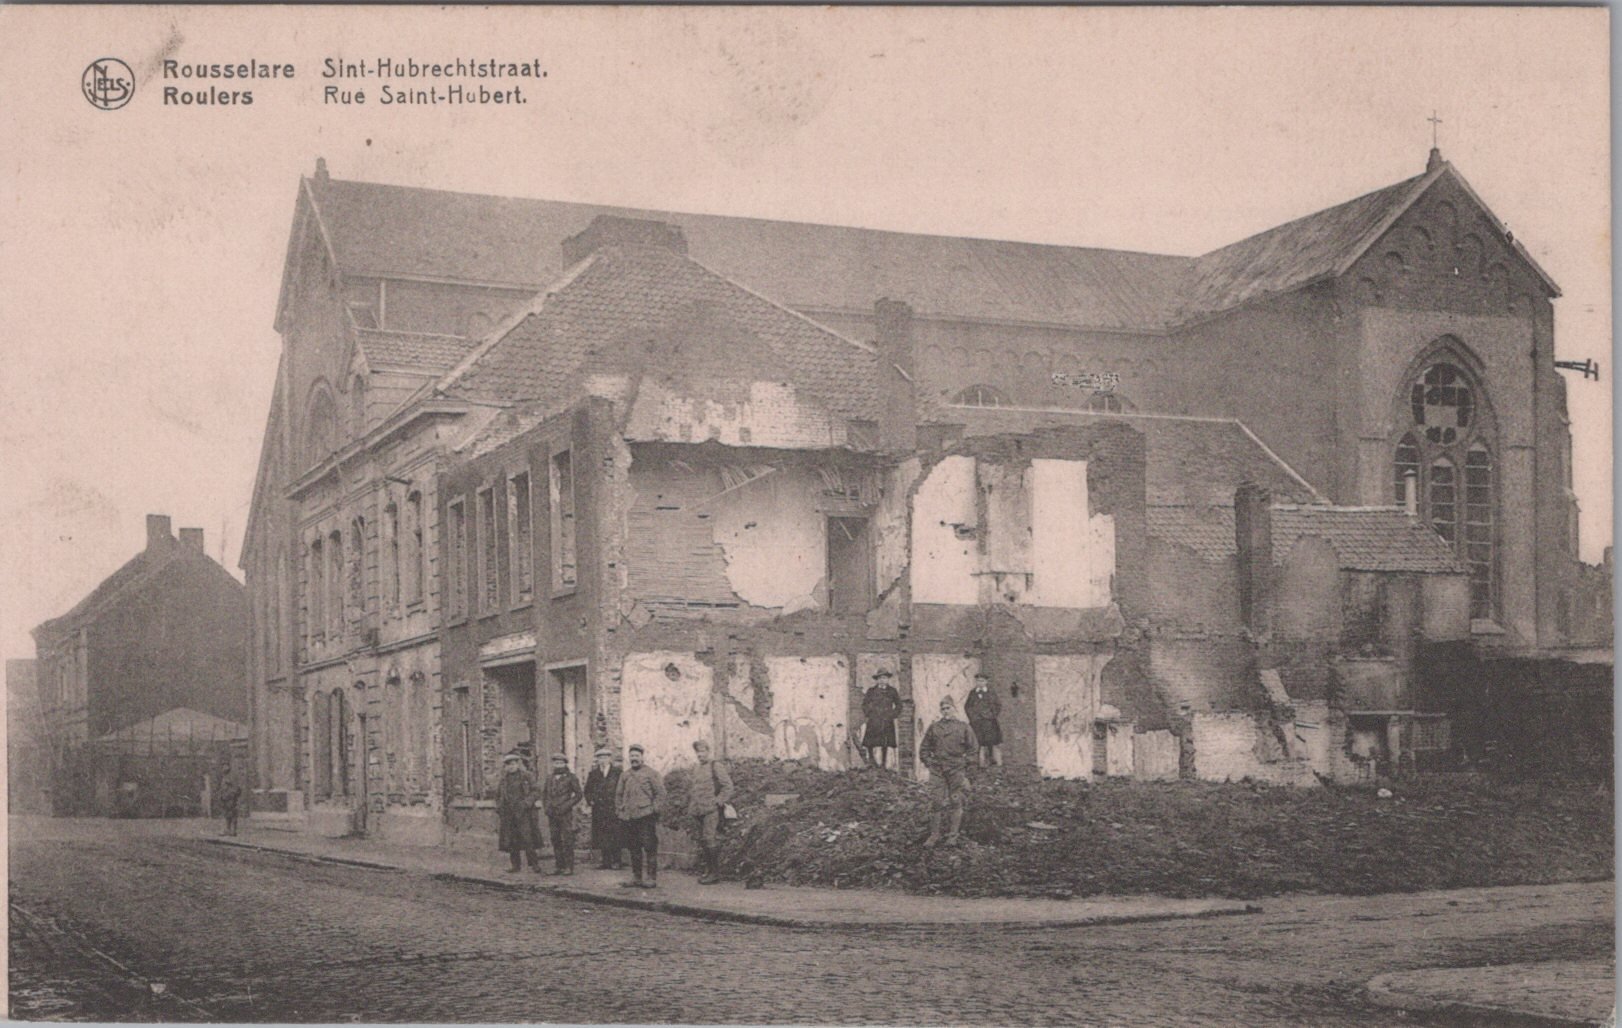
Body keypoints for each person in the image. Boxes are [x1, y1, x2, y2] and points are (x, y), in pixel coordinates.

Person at [918, 696, 978, 847]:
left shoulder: (964, 727)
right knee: (936, 801)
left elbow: (973, 749)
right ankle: (934, 835)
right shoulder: (934, 727)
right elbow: (924, 749)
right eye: (943, 709)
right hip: (938, 769)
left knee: (955, 800)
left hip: (956, 769)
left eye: (948, 708)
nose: (945, 711)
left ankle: (953, 835)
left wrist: (966, 766)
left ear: (954, 709)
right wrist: (929, 762)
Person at [614, 744, 665, 889]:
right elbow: (618, 794)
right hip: (629, 817)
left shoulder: (651, 773)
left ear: (642, 757)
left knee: (649, 847)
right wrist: (619, 810)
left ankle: (651, 878)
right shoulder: (625, 775)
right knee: (633, 847)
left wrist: (654, 810)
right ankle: (636, 877)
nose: (634, 759)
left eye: (636, 756)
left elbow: (660, 794)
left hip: (646, 816)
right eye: (631, 756)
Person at [686, 739, 735, 885]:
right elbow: (693, 789)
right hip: (697, 810)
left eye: (703, 751)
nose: (700, 755)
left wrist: (719, 801)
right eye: (698, 752)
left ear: (708, 751)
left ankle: (714, 873)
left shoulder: (716, 766)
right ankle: (708, 870)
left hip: (711, 810)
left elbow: (728, 786)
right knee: (703, 840)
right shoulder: (695, 768)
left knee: (709, 839)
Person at [496, 751, 543, 873]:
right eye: (508, 765)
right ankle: (515, 865)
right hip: (509, 813)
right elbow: (498, 795)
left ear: (518, 764)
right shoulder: (504, 780)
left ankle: (534, 865)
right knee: (512, 840)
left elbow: (536, 791)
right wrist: (500, 807)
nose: (511, 767)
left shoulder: (526, 776)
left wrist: (526, 803)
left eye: (513, 764)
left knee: (528, 839)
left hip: (524, 813)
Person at [541, 752, 584, 875]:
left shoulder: (571, 777)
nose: (558, 765)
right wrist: (546, 807)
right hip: (552, 813)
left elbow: (578, 795)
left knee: (567, 839)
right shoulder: (549, 778)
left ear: (565, 764)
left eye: (560, 763)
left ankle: (569, 867)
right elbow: (544, 794)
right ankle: (559, 866)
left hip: (565, 813)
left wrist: (566, 805)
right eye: (555, 763)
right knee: (555, 839)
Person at [583, 747, 623, 869]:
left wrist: (620, 804)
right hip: (599, 809)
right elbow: (587, 790)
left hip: (613, 808)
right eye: (600, 758)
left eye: (605, 757)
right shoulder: (593, 773)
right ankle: (606, 861)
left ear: (609, 759)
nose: (603, 760)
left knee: (615, 833)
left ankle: (617, 861)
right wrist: (591, 801)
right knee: (602, 834)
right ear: (597, 759)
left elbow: (622, 789)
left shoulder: (617, 772)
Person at [861, 669, 903, 770]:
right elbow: (864, 704)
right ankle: (871, 760)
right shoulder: (871, 691)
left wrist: (892, 715)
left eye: (884, 678)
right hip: (874, 720)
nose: (882, 680)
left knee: (885, 742)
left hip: (886, 720)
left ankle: (884, 764)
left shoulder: (892, 691)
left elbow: (899, 705)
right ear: (877, 680)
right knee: (870, 741)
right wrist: (870, 713)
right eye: (880, 678)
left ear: (888, 679)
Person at [964, 671, 1004, 767]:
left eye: (982, 681)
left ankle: (993, 762)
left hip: (989, 723)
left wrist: (990, 715)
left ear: (986, 682)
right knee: (978, 743)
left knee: (991, 742)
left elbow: (998, 705)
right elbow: (967, 706)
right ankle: (980, 763)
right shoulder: (973, 693)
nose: (980, 683)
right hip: (977, 723)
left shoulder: (991, 693)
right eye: (978, 681)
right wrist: (973, 718)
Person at [217, 770, 242, 836]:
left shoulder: (231, 788)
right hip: (226, 803)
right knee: (227, 817)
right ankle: (228, 830)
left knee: (232, 817)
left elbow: (237, 791)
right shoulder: (225, 786)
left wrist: (231, 796)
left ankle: (233, 831)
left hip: (231, 803)